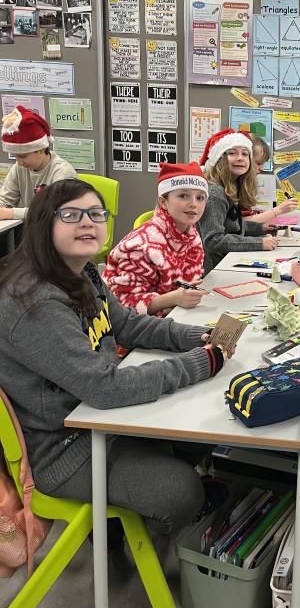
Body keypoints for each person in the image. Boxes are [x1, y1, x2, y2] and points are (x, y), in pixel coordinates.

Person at [0, 178, 231, 534]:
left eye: (96, 213)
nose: (88, 222)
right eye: (71, 215)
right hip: (64, 446)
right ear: (44, 223)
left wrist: (195, 337)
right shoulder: (35, 302)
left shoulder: (80, 271)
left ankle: (131, 505)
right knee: (182, 492)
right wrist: (201, 362)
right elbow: (103, 387)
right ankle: (117, 529)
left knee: (207, 423)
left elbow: (126, 323)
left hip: (97, 416)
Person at [103, 162, 209, 316]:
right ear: (163, 202)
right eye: (183, 196)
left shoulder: (191, 236)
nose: (193, 204)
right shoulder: (139, 247)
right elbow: (124, 307)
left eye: (200, 197)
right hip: (137, 326)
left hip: (175, 316)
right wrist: (174, 299)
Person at [197, 129, 279, 272]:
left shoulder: (231, 187)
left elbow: (230, 226)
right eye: (232, 153)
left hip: (225, 263)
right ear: (220, 159)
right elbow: (213, 241)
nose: (240, 158)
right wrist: (259, 243)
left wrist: (259, 228)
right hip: (212, 271)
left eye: (245, 154)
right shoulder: (215, 193)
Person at [0, 106, 76, 220]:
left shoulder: (63, 172)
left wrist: (11, 213)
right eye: (15, 156)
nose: (19, 163)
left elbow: (54, 211)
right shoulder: (19, 168)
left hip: (53, 229)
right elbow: (5, 200)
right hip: (31, 227)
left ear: (41, 148)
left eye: (23, 156)